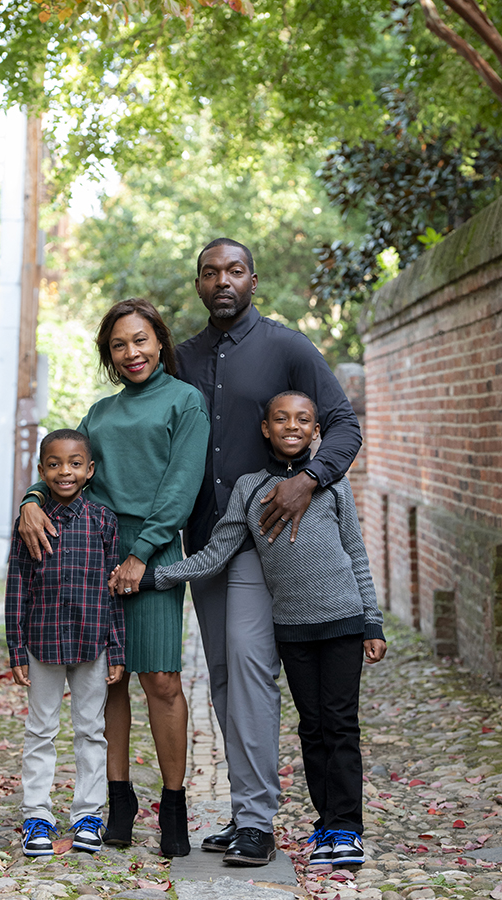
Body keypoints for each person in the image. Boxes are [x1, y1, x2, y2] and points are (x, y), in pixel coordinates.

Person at [115, 391, 386, 866]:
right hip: (292, 627)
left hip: (342, 621)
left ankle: (346, 829)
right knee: (312, 727)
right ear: (265, 429)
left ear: (316, 430)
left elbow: (357, 554)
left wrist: (372, 620)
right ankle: (325, 826)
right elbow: (217, 553)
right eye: (281, 419)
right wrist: (156, 575)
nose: (292, 427)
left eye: (303, 419)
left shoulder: (332, 483)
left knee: (340, 724)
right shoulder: (249, 487)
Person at [171, 238, 364, 865]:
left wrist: (307, 480)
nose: (222, 280)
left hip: (266, 538)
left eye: (234, 271)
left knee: (251, 671)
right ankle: (244, 808)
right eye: (210, 272)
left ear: (253, 280)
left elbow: (343, 422)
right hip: (206, 537)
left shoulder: (287, 347)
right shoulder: (182, 359)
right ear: (198, 284)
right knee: (224, 678)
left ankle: (257, 821)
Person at [17, 299, 210, 858]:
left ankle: (173, 806)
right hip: (91, 554)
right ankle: (116, 802)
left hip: (150, 554)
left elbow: (182, 484)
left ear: (160, 341)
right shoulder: (100, 414)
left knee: (162, 680)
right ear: (108, 354)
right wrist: (31, 499)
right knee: (108, 683)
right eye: (119, 345)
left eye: (141, 340)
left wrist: (144, 552)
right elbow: (62, 465)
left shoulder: (184, 401)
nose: (132, 353)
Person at [5, 429, 125, 858]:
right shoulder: (29, 522)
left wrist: (117, 648)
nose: (64, 471)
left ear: (89, 470)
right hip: (42, 641)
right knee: (41, 730)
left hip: (92, 641)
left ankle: (88, 815)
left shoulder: (103, 521)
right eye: (54, 464)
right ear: (41, 471)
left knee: (91, 730)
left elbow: (113, 589)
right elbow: (16, 586)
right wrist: (16, 649)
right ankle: (36, 814)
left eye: (75, 463)